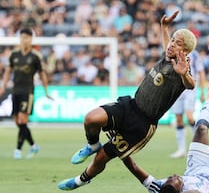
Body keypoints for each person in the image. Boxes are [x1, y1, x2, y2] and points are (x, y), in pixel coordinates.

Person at [57, 10, 197, 190]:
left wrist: (184, 74)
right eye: (172, 40)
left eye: (177, 44)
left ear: (184, 51)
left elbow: (191, 84)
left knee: (103, 157)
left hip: (142, 124)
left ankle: (80, 180)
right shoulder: (168, 56)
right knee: (91, 118)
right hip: (129, 106)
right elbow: (167, 44)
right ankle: (92, 144)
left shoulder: (182, 69)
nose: (170, 45)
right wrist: (164, 27)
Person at [122, 77, 209, 193]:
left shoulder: (161, 188)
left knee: (201, 129)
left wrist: (119, 148)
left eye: (169, 178)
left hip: (196, 169)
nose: (174, 176)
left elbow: (134, 168)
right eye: (175, 180)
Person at [0, 28, 52, 159]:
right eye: (23, 37)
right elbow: (8, 71)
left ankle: (17, 150)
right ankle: (34, 145)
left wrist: (46, 90)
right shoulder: (14, 55)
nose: (25, 40)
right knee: (17, 121)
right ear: (20, 38)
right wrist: (3, 86)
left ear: (31, 39)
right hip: (15, 91)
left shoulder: (35, 56)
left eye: (28, 38)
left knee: (23, 120)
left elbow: (42, 73)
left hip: (28, 91)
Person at [170, 49, 207, 158]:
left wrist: (203, 91)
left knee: (190, 117)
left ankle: (200, 145)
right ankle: (181, 150)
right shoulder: (174, 52)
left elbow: (201, 72)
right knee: (179, 119)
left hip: (190, 89)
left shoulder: (194, 53)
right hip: (176, 89)